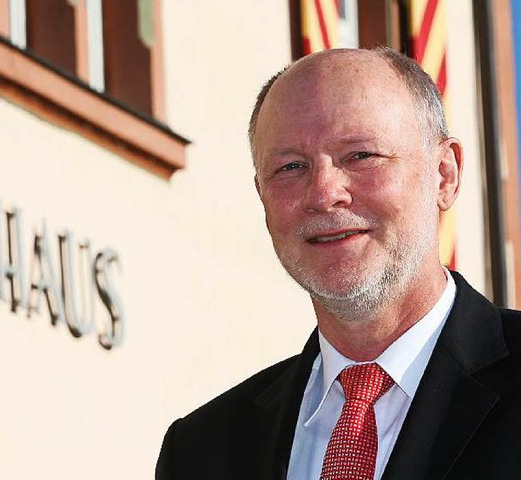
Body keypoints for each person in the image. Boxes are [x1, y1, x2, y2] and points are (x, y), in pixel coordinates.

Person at [156, 47, 521, 480]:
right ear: (262, 196)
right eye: (291, 167)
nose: (324, 193)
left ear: (444, 174)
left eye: (361, 156)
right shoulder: (203, 450)